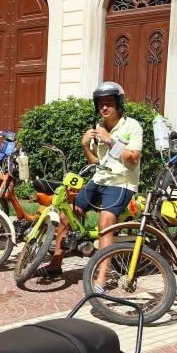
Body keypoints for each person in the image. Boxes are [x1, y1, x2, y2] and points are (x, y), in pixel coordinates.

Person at [40, 82, 142, 285]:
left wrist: (111, 140)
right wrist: (85, 145)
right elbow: (95, 161)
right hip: (99, 179)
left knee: (105, 222)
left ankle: (102, 277)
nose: (104, 107)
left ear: (119, 104)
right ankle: (56, 263)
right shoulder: (99, 127)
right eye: (101, 104)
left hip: (122, 183)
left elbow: (133, 159)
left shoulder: (132, 126)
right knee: (65, 215)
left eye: (109, 103)